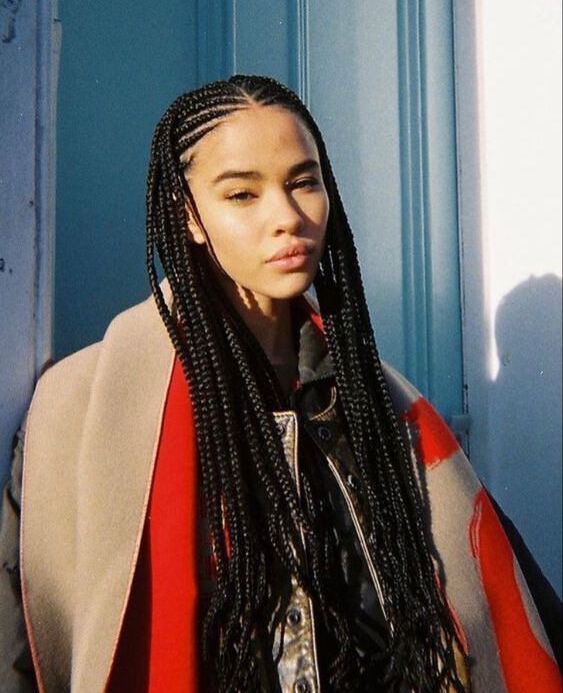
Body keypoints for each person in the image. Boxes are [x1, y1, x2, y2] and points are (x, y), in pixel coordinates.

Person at [0, 75, 560, 693]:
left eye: (303, 183)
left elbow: (505, 614)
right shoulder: (86, 410)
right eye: (242, 194)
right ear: (189, 217)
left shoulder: (382, 408)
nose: (288, 218)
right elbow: (20, 645)